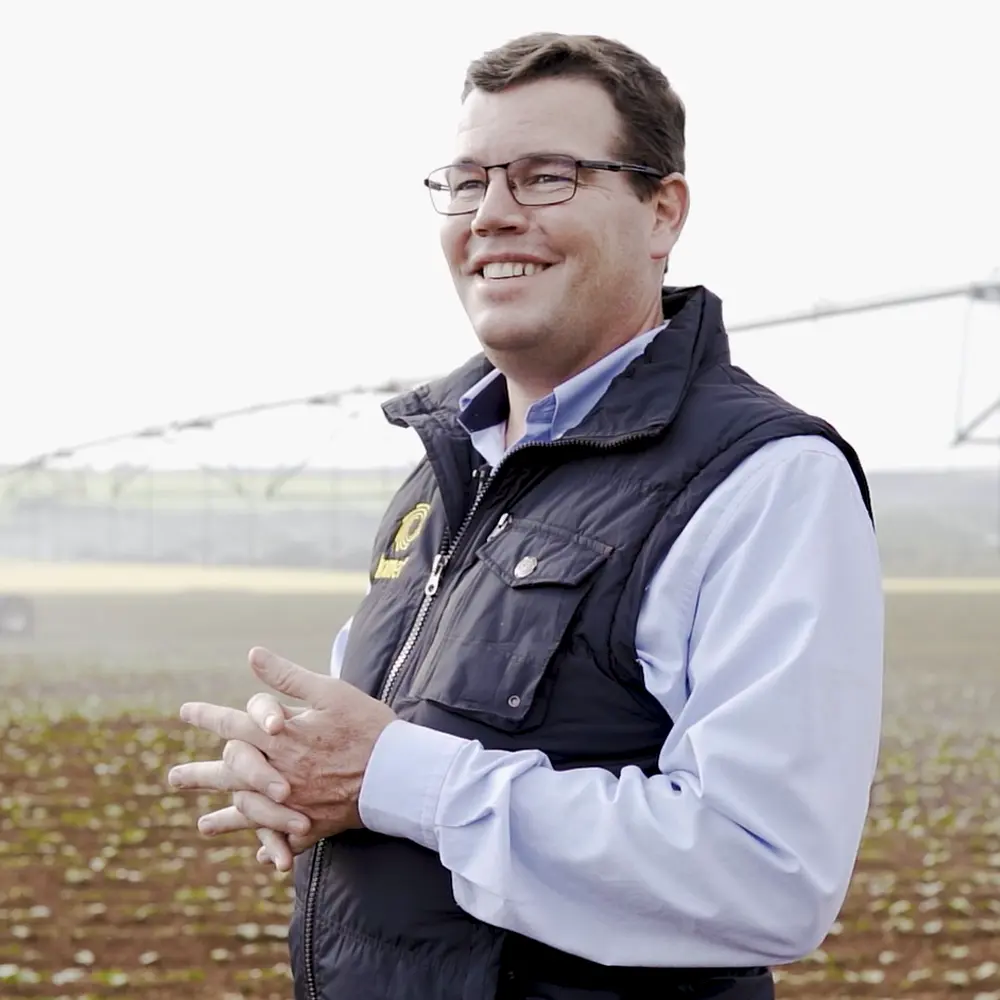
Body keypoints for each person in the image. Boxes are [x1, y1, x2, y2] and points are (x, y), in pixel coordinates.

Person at [167, 31, 884, 1000]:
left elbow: (765, 874)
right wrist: (297, 769)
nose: (493, 214)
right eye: (465, 183)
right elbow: (376, 749)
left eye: (546, 176)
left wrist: (393, 778)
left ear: (661, 209)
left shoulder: (763, 480)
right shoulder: (443, 466)